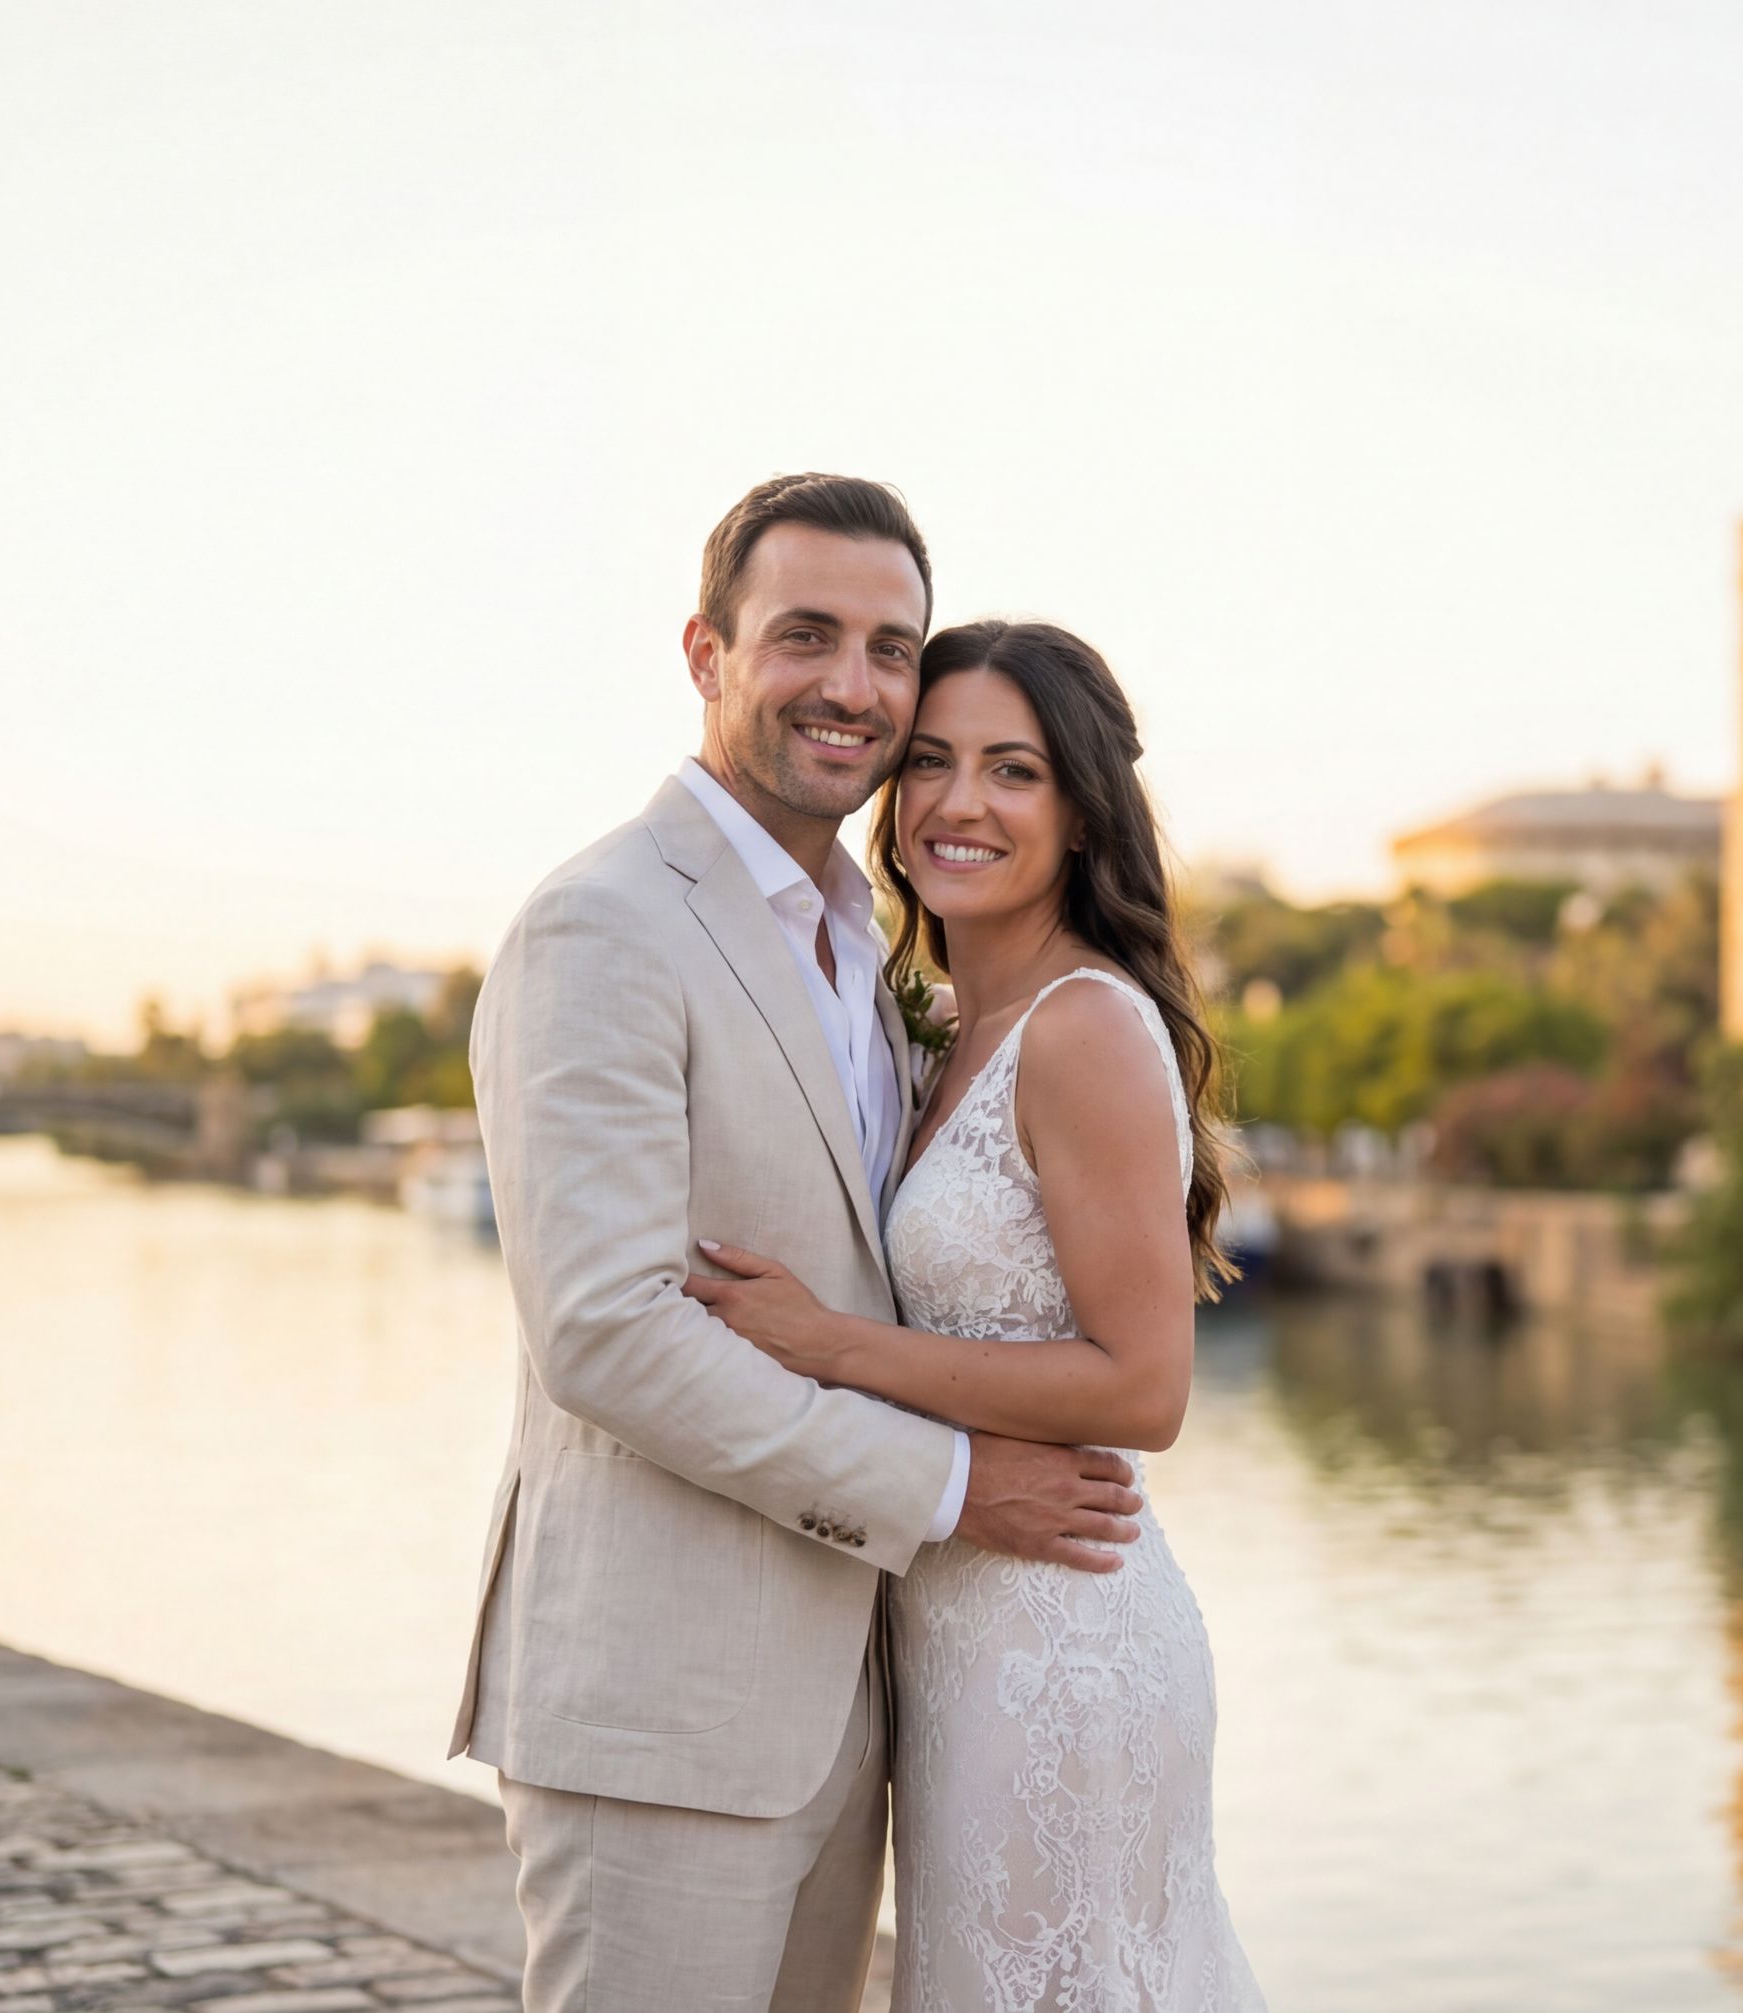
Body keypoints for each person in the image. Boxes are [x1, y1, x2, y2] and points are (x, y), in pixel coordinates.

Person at [453, 475, 1148, 2011]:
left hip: (859, 1711)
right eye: (807, 635)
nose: (855, 685)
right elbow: (608, 1332)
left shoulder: (869, 946)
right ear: (706, 652)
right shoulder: (603, 923)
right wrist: (953, 1486)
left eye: (892, 649)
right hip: (664, 1709)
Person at [687, 616, 1266, 2010]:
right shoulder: (941, 1024)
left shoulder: (1084, 1027)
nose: (960, 802)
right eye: (932, 762)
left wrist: (832, 1345)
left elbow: (1145, 1388)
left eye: (1015, 770)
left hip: (1061, 1636)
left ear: (1082, 812)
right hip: (951, 1629)